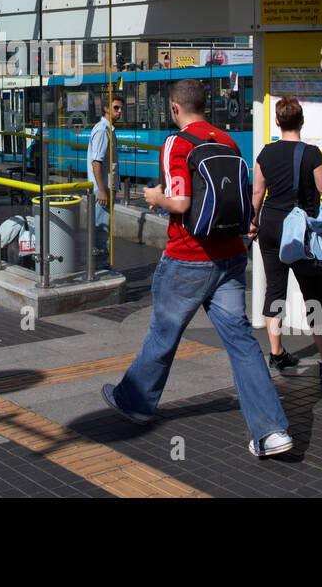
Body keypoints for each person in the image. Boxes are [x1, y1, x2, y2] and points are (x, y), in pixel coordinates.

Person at [102, 78, 292, 457]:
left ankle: (135, 402)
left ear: (175, 109)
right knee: (241, 343)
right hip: (230, 258)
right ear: (205, 105)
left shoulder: (178, 142)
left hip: (188, 258)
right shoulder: (228, 142)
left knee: (163, 333)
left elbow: (183, 201)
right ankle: (272, 432)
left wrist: (157, 196)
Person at [250, 96, 322, 382]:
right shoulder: (310, 152)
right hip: (299, 231)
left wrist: (253, 222)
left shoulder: (266, 153)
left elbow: (257, 194)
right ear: (301, 121)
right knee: (314, 293)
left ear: (277, 122)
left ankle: (276, 353)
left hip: (271, 226)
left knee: (275, 289)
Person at [88, 94, 123, 258]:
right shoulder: (102, 130)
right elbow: (97, 162)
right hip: (103, 188)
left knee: (103, 229)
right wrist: (102, 190)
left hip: (106, 187)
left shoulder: (108, 129)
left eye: (121, 108)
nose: (120, 111)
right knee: (101, 231)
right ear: (106, 109)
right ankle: (102, 269)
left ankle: (102, 266)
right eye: (116, 108)